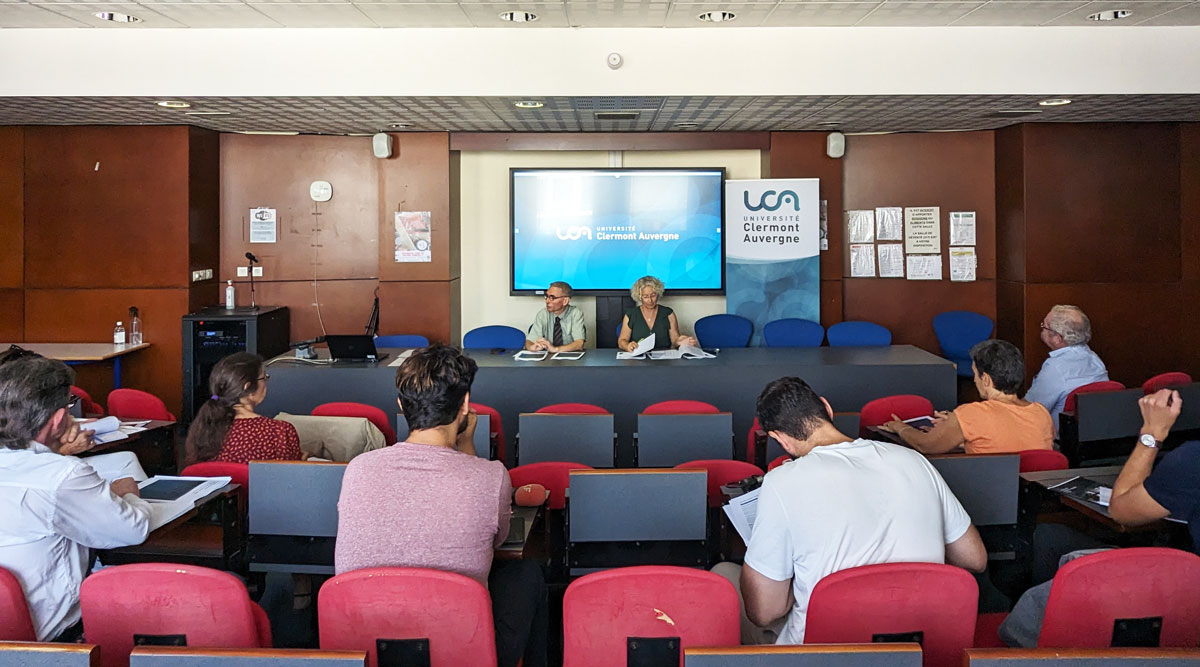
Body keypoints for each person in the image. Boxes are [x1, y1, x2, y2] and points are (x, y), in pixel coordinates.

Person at [712, 376, 987, 645]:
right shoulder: (914, 460)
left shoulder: (782, 482)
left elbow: (764, 611)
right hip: (923, 640)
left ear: (780, 439)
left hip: (827, 649)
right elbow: (975, 559)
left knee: (724, 572)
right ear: (826, 408)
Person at [335, 344, 546, 667]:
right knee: (527, 573)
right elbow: (498, 540)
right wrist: (466, 445)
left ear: (401, 407)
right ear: (464, 405)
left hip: (364, 644)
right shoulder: (491, 476)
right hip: (460, 646)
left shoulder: (358, 469)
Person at [998, 388, 1200, 647]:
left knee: (1044, 580)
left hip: (1185, 593)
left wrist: (1152, 432)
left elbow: (1121, 509)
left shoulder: (1191, 460)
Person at [0, 349, 152, 642]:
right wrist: (129, 496)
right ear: (58, 419)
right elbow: (133, 529)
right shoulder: (63, 476)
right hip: (53, 639)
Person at [881, 339, 1053, 455]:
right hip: (1033, 495)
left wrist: (900, 428)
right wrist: (955, 429)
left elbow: (925, 445)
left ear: (985, 379)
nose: (974, 380)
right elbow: (1010, 443)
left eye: (975, 374)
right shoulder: (1041, 413)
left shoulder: (972, 414)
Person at [184, 352, 303, 465]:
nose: (266, 383)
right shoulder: (280, 431)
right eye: (264, 378)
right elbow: (289, 477)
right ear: (248, 387)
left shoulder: (202, 427)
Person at [1024, 305, 1109, 430]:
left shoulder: (1055, 368)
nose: (1042, 329)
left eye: (1044, 326)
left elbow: (1030, 410)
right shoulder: (1094, 358)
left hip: (1059, 443)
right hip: (1094, 437)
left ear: (1058, 339)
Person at [618, 275, 699, 351]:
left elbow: (675, 341)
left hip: (664, 362)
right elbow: (622, 341)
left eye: (653, 295)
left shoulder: (668, 313)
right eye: (645, 297)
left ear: (658, 293)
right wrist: (628, 346)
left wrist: (680, 342)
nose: (650, 300)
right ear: (639, 297)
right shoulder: (631, 314)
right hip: (638, 360)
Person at [525, 280, 585, 353]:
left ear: (565, 301)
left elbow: (579, 344)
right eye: (546, 296)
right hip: (547, 359)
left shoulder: (575, 313)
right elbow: (529, 341)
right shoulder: (542, 314)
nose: (547, 301)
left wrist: (555, 349)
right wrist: (532, 347)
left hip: (570, 359)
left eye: (552, 298)